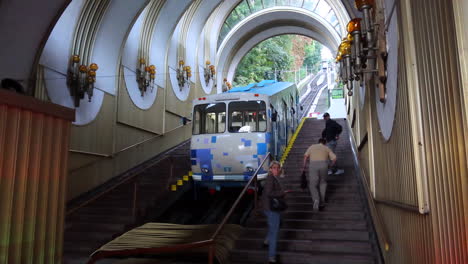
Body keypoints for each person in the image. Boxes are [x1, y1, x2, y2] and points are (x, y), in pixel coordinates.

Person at [261, 161, 288, 264]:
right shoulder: (270, 179)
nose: (276, 170)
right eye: (274, 168)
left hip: (271, 208)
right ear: (270, 169)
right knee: (274, 233)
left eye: (278, 168)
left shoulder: (274, 178)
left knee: (279, 224)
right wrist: (282, 193)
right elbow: (269, 193)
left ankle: (266, 241)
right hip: (271, 209)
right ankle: (272, 258)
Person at [303, 138, 336, 211]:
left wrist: (304, 167)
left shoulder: (312, 146)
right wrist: (330, 166)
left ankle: (316, 199)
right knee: (323, 183)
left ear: (318, 142)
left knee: (312, 184)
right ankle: (322, 202)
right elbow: (334, 159)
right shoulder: (326, 148)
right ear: (325, 143)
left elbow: (305, 157)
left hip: (313, 166)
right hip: (324, 165)